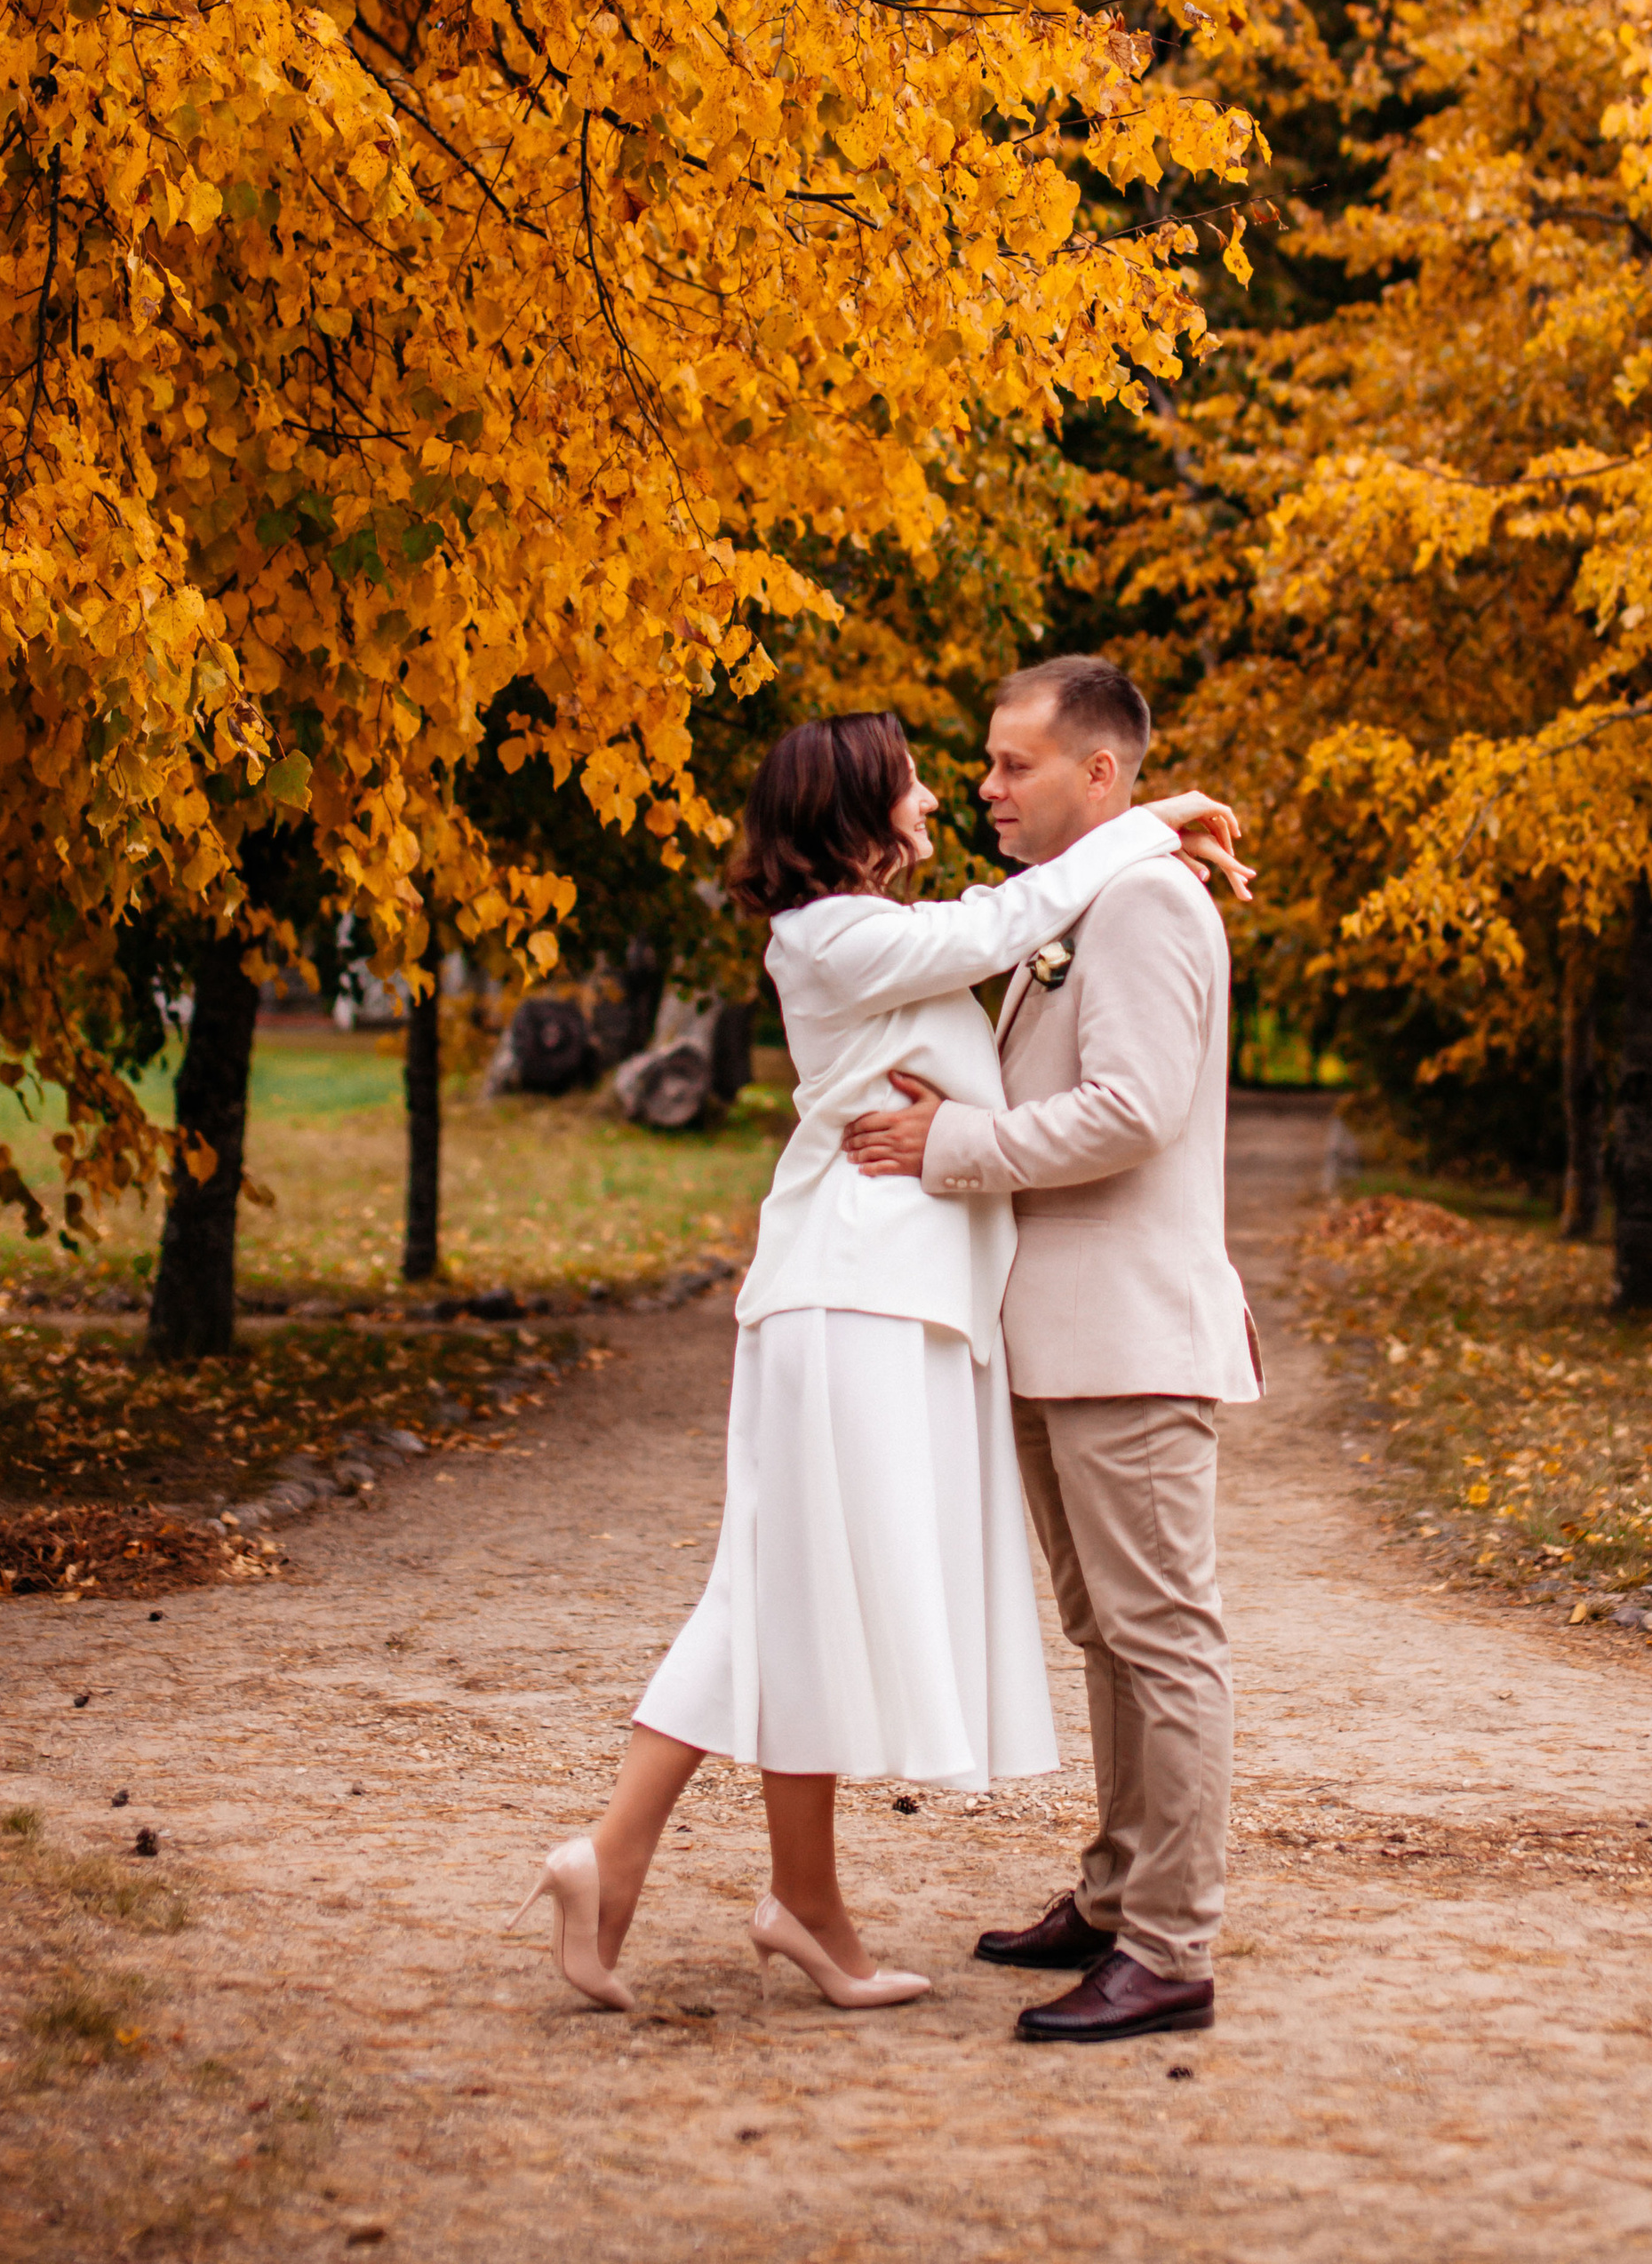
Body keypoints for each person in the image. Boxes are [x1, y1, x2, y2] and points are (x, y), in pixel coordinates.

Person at [510, 706, 1249, 2015]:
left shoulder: (890, 934)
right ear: (854, 812)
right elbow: (997, 928)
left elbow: (1032, 986)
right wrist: (1153, 818)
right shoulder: (844, 935)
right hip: (855, 1299)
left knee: (782, 1595)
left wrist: (1142, 831)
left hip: (883, 1298)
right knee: (775, 1592)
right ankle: (651, 1863)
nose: (950, 796)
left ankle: (766, 1894)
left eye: (994, 767)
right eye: (919, 783)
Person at [844, 655, 1261, 2046]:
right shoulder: (1086, 895)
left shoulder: (1144, 903)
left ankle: (1171, 1947)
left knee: (1164, 1642)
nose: (986, 786)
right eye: (984, 762)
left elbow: (1132, 1109)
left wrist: (947, 1148)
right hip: (1064, 1341)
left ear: (1098, 774)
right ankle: (1115, 1892)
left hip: (1130, 1339)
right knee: (1109, 1632)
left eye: (1014, 764)